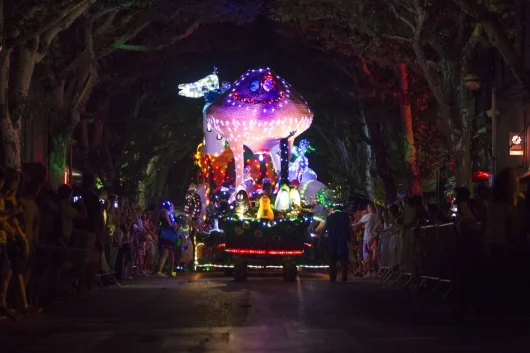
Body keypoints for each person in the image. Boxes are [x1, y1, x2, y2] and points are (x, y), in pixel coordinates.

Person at [72, 173, 104, 296]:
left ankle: (76, 285)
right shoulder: (93, 198)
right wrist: (99, 234)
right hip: (89, 230)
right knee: (89, 261)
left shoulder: (76, 194)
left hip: (75, 229)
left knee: (77, 259)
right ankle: (84, 287)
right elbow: (97, 218)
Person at [325, 205, 351, 282]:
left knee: (331, 259)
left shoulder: (330, 217)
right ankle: (344, 275)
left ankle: (333, 276)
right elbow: (349, 229)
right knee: (344, 259)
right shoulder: (346, 217)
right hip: (342, 240)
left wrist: (321, 240)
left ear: (334, 210)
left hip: (332, 241)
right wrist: (349, 239)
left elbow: (324, 229)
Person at [351, 202, 378, 278]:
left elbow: (357, 224)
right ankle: (375, 271)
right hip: (375, 237)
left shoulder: (367, 216)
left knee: (367, 255)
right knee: (374, 254)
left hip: (367, 238)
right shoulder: (377, 216)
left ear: (369, 208)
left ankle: (369, 271)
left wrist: (350, 224)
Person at [155, 201, 178, 277]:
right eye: (172, 205)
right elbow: (169, 224)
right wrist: (173, 225)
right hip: (166, 235)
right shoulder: (165, 212)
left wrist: (175, 226)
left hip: (171, 236)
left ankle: (170, 272)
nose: (173, 206)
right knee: (165, 254)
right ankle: (159, 271)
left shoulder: (171, 214)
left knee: (171, 254)